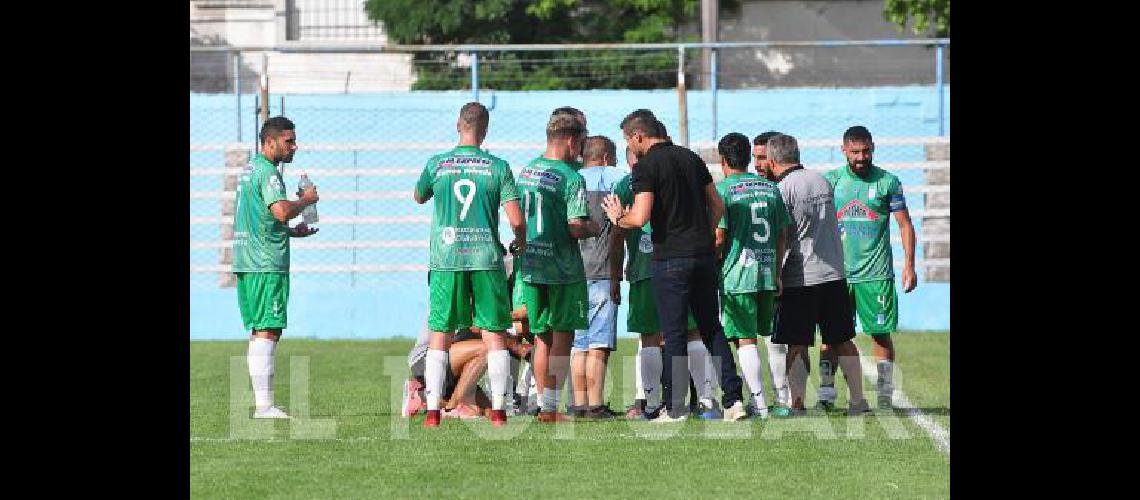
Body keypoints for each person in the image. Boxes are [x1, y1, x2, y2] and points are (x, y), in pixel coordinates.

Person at [601, 111, 747, 422]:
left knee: (674, 334)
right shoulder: (691, 159)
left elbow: (640, 217)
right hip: (703, 256)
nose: (630, 146)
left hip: (670, 260)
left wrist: (617, 217)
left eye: (629, 139)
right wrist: (703, 237)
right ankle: (734, 402)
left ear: (638, 136)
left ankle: (674, 407)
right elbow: (718, 206)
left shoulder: (646, 167)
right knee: (711, 329)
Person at [413, 102, 526, 428]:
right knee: (494, 333)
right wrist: (521, 240)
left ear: (457, 125)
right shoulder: (498, 167)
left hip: (446, 260)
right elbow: (516, 220)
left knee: (440, 333)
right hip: (486, 259)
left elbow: (418, 196)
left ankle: (433, 412)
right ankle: (501, 413)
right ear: (485, 130)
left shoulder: (437, 164)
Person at [765, 133, 871, 416]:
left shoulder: (783, 188)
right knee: (842, 339)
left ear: (774, 160)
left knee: (797, 342)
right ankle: (858, 401)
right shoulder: (821, 180)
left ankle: (797, 404)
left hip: (801, 276)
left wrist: (775, 274)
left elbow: (783, 234)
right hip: (834, 274)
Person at [818, 125, 918, 410]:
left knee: (880, 333)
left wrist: (909, 265)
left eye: (866, 151)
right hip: (837, 275)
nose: (861, 157)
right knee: (831, 337)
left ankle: (885, 394)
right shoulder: (832, 181)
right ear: (844, 150)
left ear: (873, 148)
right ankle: (826, 393)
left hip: (876, 274)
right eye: (855, 152)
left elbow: (905, 225)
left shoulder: (888, 182)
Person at [517, 107, 600, 423]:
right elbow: (576, 225)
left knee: (541, 337)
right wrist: (596, 225)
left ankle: (542, 405)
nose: (582, 150)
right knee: (563, 337)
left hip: (532, 266)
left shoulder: (527, 170)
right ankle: (550, 409)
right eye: (581, 143)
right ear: (570, 141)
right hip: (562, 269)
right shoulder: (570, 177)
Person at [233, 116, 320, 419]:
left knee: (261, 330)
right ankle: (264, 407)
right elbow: (281, 211)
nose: (294, 146)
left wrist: (291, 232)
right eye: (289, 141)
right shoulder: (269, 173)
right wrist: (305, 201)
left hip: (248, 259)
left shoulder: (249, 170)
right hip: (265, 263)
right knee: (268, 330)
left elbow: (263, 217)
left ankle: (263, 404)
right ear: (270, 142)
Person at [712, 132, 795, 420]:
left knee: (744, 339)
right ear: (748, 157)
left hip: (738, 275)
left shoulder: (722, 190)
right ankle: (782, 397)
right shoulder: (771, 189)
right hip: (767, 271)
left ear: (722, 159)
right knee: (772, 337)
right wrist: (777, 271)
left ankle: (759, 404)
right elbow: (783, 231)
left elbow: (719, 237)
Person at [569, 136, 625, 420]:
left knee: (578, 344)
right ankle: (595, 405)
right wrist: (617, 276)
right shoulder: (614, 180)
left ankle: (579, 405)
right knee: (598, 344)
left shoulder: (571, 180)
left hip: (573, 275)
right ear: (605, 158)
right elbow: (617, 234)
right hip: (602, 272)